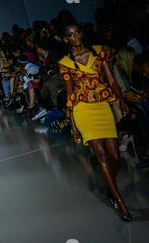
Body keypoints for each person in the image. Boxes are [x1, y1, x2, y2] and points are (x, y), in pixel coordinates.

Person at [59, 22, 132, 222]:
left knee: (115, 156)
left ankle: (111, 186)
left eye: (77, 32)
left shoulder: (99, 52)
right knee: (100, 154)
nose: (75, 36)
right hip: (83, 109)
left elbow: (112, 80)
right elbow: (70, 94)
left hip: (102, 106)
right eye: (70, 34)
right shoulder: (65, 62)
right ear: (66, 39)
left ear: (82, 33)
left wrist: (121, 100)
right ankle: (120, 201)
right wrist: (73, 126)